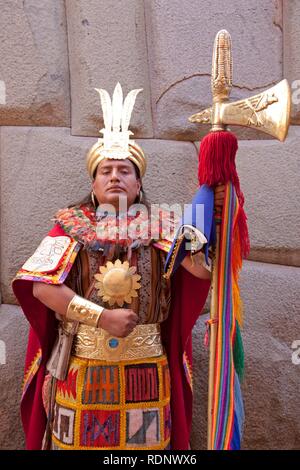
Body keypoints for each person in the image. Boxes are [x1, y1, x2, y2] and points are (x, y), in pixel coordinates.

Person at [12, 83, 224, 450]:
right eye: (106, 170)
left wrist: (219, 213)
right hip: (83, 367)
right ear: (93, 184)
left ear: (138, 182)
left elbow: (204, 274)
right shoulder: (69, 226)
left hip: (147, 369)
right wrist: (101, 318)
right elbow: (41, 287)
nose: (114, 176)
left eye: (124, 170)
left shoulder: (167, 228)